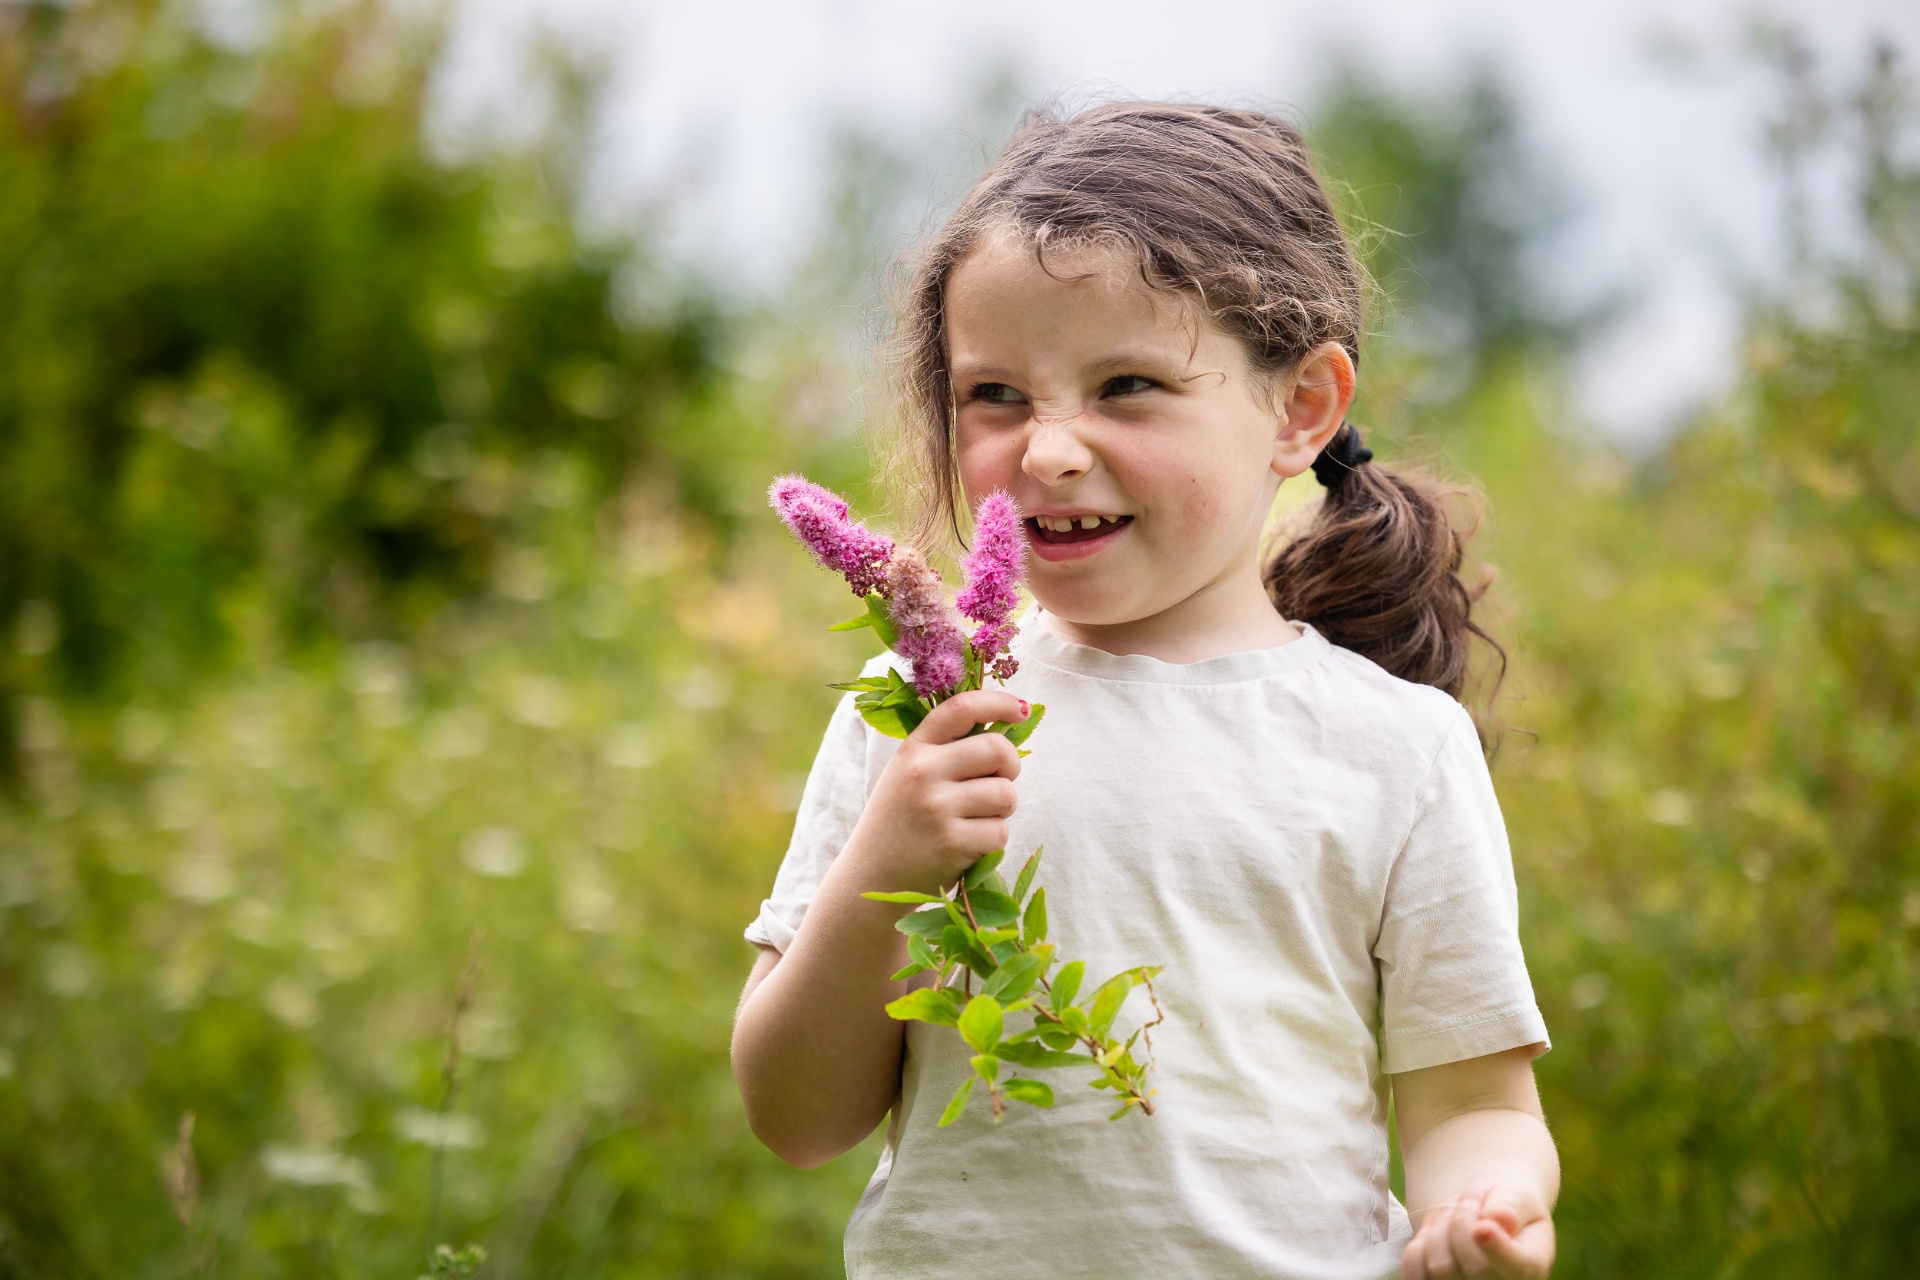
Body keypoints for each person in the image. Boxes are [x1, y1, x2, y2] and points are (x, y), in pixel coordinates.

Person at [730, 102, 1558, 1280]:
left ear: (1301, 406)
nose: (1050, 449)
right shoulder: (921, 707)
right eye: (996, 395)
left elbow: (1475, 1102)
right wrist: (888, 861)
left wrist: (1490, 1209)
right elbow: (794, 1115)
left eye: (1126, 385)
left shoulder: (1396, 747)